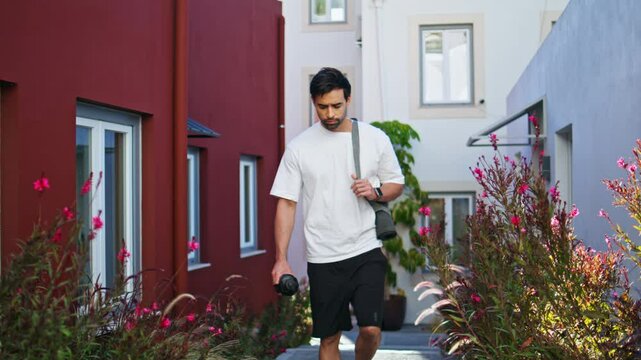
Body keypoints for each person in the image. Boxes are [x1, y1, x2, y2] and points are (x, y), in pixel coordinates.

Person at [270, 67, 404, 360]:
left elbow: (397, 184)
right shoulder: (299, 148)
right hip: (323, 256)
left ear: (348, 99)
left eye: (336, 105)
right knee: (329, 337)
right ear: (313, 103)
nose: (329, 113)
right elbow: (287, 203)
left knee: (371, 330)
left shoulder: (373, 138)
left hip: (366, 248)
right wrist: (281, 260)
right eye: (322, 107)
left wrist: (376, 191)